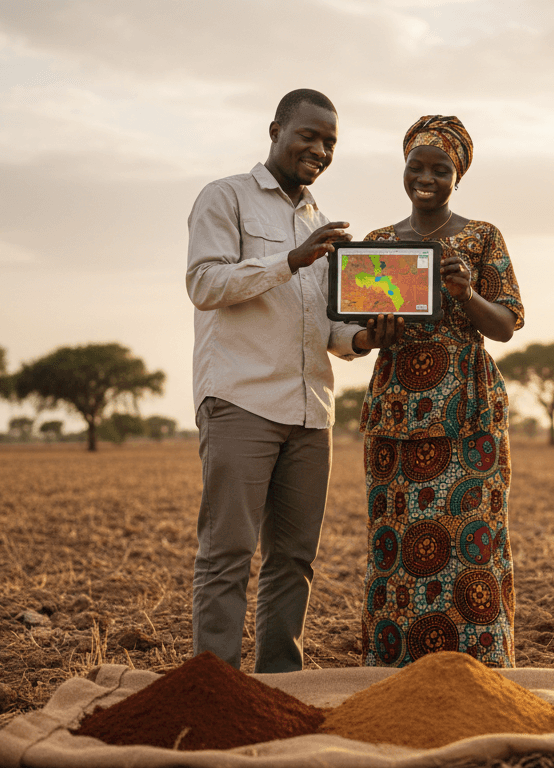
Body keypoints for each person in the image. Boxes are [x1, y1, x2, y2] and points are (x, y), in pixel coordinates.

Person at [185, 89, 400, 673]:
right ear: (275, 130)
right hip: (241, 400)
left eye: (330, 142)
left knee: (295, 559)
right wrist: (290, 260)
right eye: (309, 135)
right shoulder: (225, 196)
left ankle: (281, 687)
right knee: (227, 554)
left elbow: (328, 326)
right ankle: (215, 689)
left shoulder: (319, 223)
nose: (320, 150)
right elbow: (204, 284)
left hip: (311, 411)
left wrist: (366, 337)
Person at [358, 115, 525, 668]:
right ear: (403, 168)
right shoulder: (379, 245)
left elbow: (505, 325)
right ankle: (394, 673)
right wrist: (375, 331)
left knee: (472, 540)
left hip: (468, 409)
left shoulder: (482, 237)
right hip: (396, 410)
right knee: (395, 541)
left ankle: (481, 672)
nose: (426, 178)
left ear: (458, 176)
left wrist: (466, 293)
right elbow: (357, 326)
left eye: (441, 169)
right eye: (417, 166)